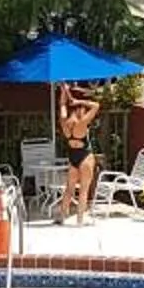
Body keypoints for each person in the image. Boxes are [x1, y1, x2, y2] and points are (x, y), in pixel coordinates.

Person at [57, 82, 103, 223]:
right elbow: (96, 106)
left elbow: (62, 105)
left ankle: (62, 217)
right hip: (85, 157)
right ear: (80, 110)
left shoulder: (64, 123)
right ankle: (80, 221)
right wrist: (79, 101)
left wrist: (64, 91)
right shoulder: (82, 123)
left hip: (73, 158)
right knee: (83, 190)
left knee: (69, 189)